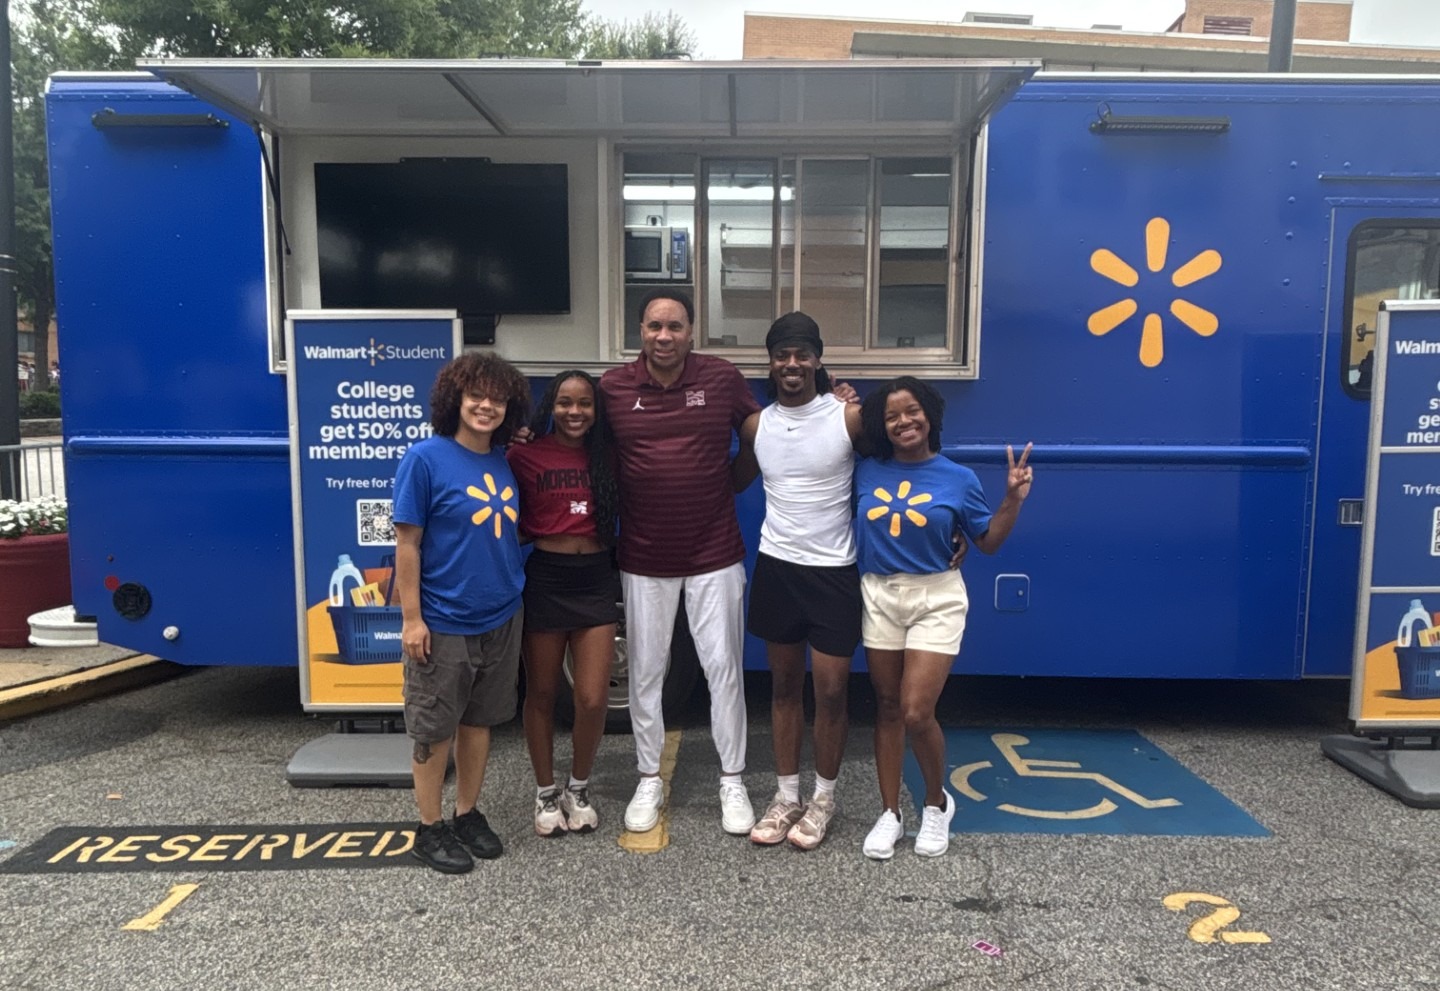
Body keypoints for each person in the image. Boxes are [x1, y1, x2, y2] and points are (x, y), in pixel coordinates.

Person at [599, 287, 761, 836]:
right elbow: (579, 441)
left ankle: (732, 780)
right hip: (643, 556)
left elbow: (764, 435)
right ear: (638, 332)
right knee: (646, 672)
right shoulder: (613, 389)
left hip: (715, 552)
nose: (663, 336)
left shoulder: (720, 378)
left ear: (692, 332)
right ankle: (649, 777)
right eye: (652, 326)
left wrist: (832, 402)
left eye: (674, 326)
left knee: (723, 670)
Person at [855, 376, 1032, 860]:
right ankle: (889, 813)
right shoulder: (865, 470)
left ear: (929, 415)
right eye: (891, 416)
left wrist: (1012, 499)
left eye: (911, 411)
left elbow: (987, 542)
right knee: (887, 705)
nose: (903, 422)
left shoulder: (958, 477)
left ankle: (936, 803)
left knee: (915, 710)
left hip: (937, 596)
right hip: (879, 592)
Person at [393, 351, 531, 874]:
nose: (486, 406)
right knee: (433, 729)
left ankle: (467, 813)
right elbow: (408, 544)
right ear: (456, 400)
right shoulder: (425, 459)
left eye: (498, 399)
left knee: (479, 722)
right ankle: (429, 828)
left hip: (500, 615)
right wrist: (412, 619)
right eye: (476, 396)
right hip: (443, 621)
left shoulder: (502, 461)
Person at [732, 312, 863, 851]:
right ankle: (787, 796)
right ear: (771, 360)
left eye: (801, 353)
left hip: (834, 573)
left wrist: (950, 532)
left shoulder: (849, 417)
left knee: (831, 692)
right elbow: (729, 481)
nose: (792, 363)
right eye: (782, 354)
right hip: (777, 568)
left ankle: (823, 800)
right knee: (784, 688)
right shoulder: (755, 425)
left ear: (816, 358)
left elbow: (902, 469)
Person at [507, 370, 620, 837]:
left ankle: (578, 786)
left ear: (597, 411)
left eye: (585, 404)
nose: (575, 412)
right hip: (547, 578)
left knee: (593, 698)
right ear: (549, 406)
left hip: (595, 578)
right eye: (565, 403)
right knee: (543, 693)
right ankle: (545, 791)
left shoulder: (609, 457)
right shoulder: (523, 454)